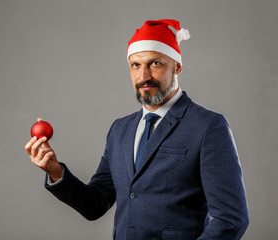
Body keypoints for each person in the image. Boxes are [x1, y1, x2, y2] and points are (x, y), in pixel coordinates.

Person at [25, 19, 249, 240]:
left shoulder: (208, 126)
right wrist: (55, 172)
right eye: (136, 65)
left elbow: (230, 219)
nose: (144, 77)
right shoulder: (120, 130)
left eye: (155, 63)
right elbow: (96, 204)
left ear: (177, 66)